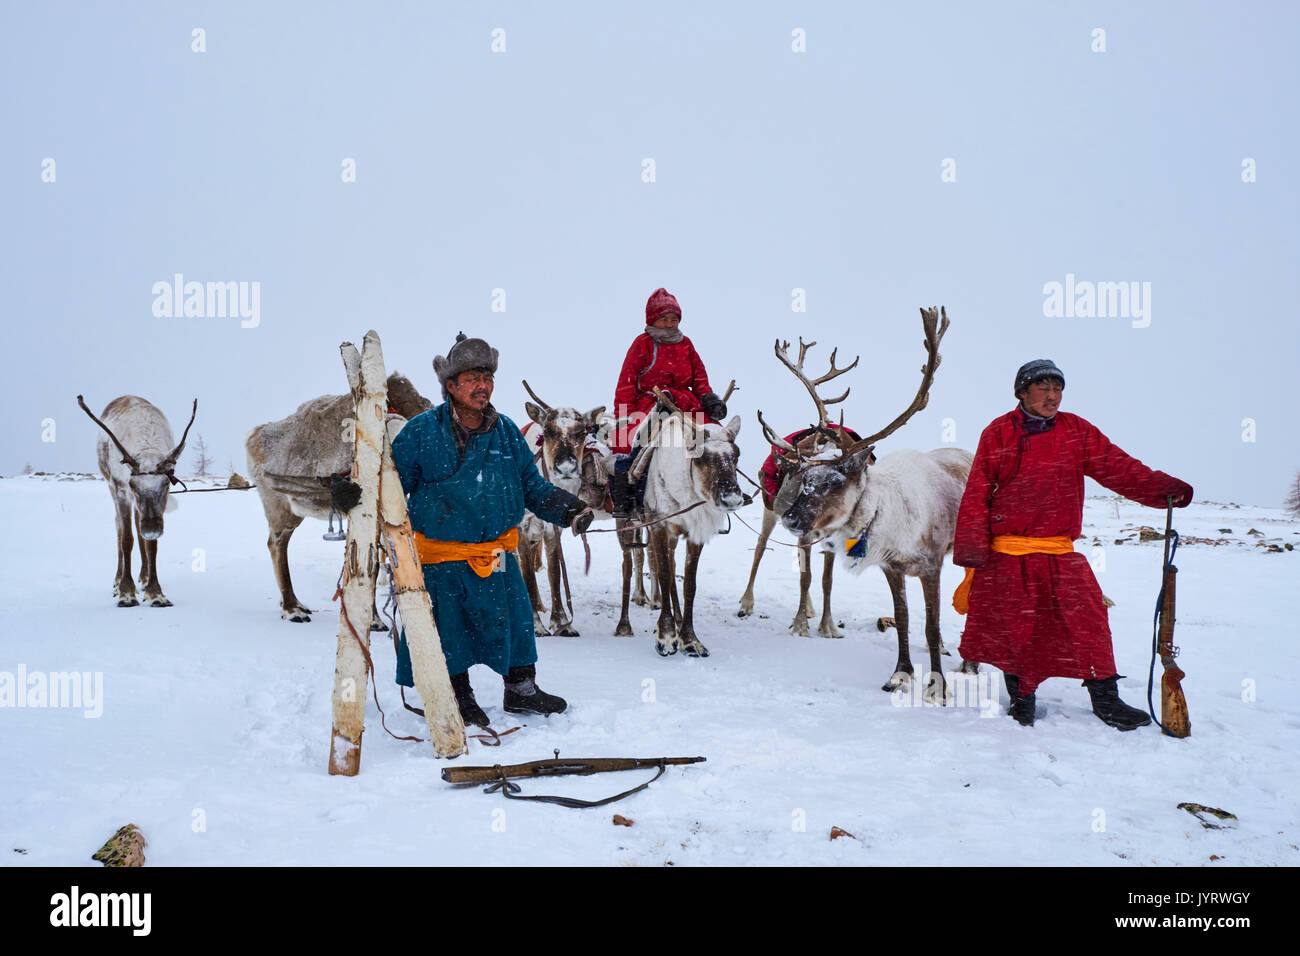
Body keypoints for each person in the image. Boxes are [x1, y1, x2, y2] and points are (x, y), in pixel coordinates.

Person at [331, 333, 593, 726]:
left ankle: (521, 690)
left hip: (498, 554)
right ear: (450, 386)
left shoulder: (506, 432)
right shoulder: (420, 433)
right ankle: (458, 693)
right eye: (471, 378)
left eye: (487, 377)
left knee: (516, 621)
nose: (482, 386)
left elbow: (531, 486)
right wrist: (353, 489)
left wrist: (570, 509)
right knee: (450, 630)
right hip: (443, 558)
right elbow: (391, 484)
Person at [952, 359, 1193, 730]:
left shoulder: (1076, 430)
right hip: (1008, 553)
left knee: (1089, 621)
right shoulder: (997, 432)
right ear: (1022, 392)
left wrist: (1163, 489)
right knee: (1017, 630)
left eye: (1057, 389)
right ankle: (1022, 700)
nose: (1052, 396)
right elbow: (977, 492)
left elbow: (1119, 467)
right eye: (1043, 389)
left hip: (1058, 550)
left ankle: (1106, 701)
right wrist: (973, 552)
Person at [608, 288, 728, 517]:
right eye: (664, 319)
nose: (670, 324)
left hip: (686, 404)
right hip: (650, 405)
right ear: (653, 320)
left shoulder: (686, 344)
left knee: (718, 437)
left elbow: (699, 378)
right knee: (630, 442)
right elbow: (626, 385)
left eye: (674, 319)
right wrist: (623, 418)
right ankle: (627, 499)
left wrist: (709, 399)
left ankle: (726, 487)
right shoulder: (642, 344)